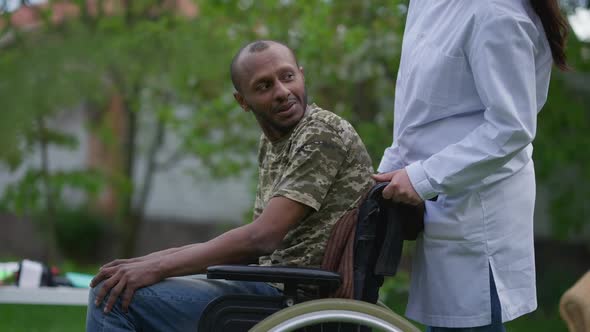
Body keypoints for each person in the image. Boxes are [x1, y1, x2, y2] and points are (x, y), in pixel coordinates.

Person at [85, 40, 374, 331]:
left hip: (299, 299)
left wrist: (156, 267)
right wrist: (147, 262)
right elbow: (254, 247)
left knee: (109, 296)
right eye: (264, 86)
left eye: (287, 77)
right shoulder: (275, 141)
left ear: (301, 74)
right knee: (121, 283)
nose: (282, 92)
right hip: (275, 286)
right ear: (243, 101)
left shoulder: (322, 133)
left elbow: (262, 238)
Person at [372, 0, 568, 331]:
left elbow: (511, 128)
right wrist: (385, 175)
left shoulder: (498, 14)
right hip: (437, 203)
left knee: (467, 319)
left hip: (478, 213)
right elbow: (418, 108)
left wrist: (422, 177)